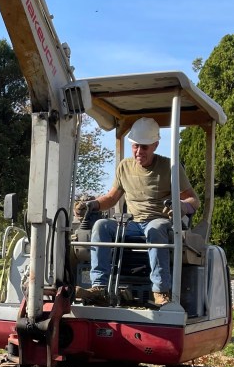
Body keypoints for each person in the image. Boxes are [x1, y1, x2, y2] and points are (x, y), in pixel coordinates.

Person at [74, 117, 199, 307]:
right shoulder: (124, 167)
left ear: (155, 145)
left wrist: (182, 206)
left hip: (160, 222)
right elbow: (112, 197)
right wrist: (92, 205)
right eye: (135, 146)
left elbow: (194, 200)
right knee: (101, 225)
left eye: (144, 147)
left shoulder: (170, 167)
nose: (139, 151)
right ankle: (99, 288)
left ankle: (160, 291)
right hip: (131, 224)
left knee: (155, 228)